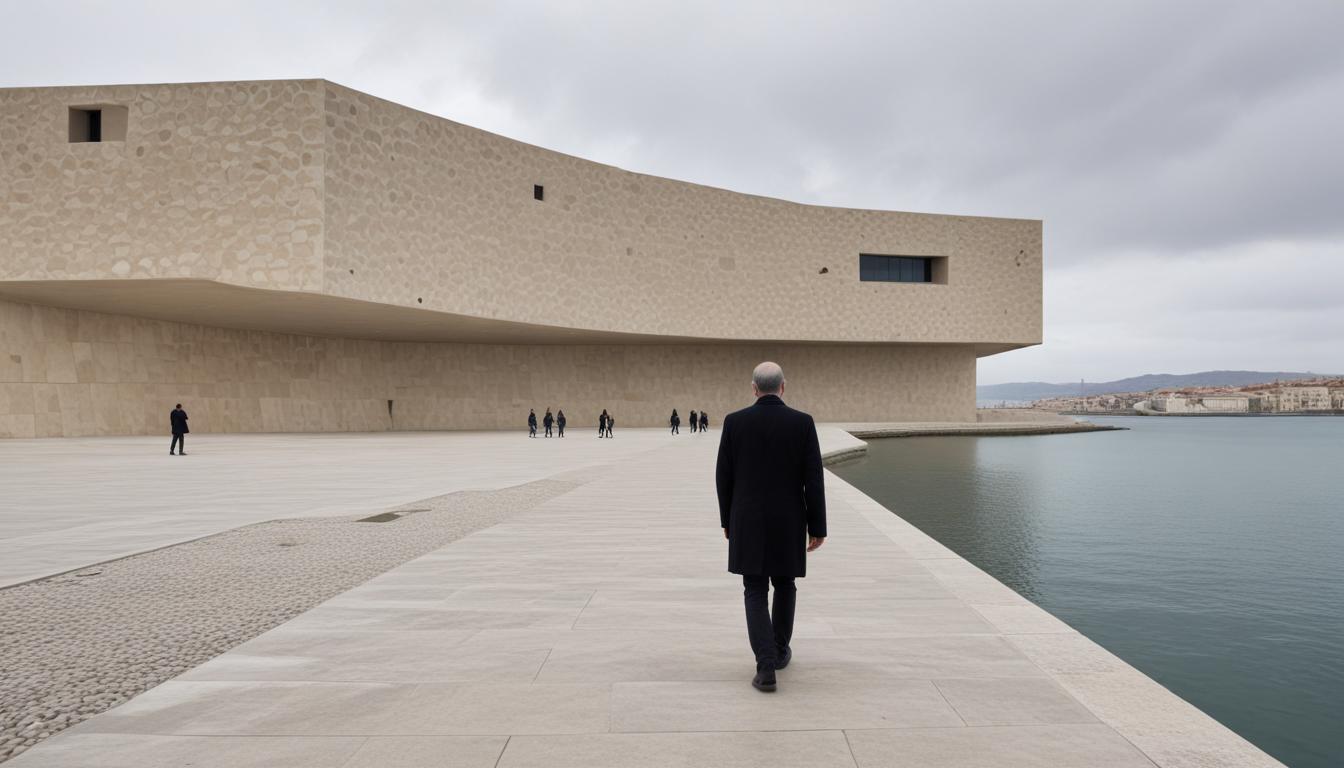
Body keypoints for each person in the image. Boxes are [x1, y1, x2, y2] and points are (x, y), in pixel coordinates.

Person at [715, 362, 825, 693]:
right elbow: (813, 479)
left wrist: (726, 520)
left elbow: (724, 477)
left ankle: (765, 667)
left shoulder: (735, 422)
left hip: (747, 519)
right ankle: (778, 651)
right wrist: (817, 526)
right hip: (790, 518)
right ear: (783, 387)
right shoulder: (802, 423)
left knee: (754, 588)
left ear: (753, 388)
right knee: (785, 583)